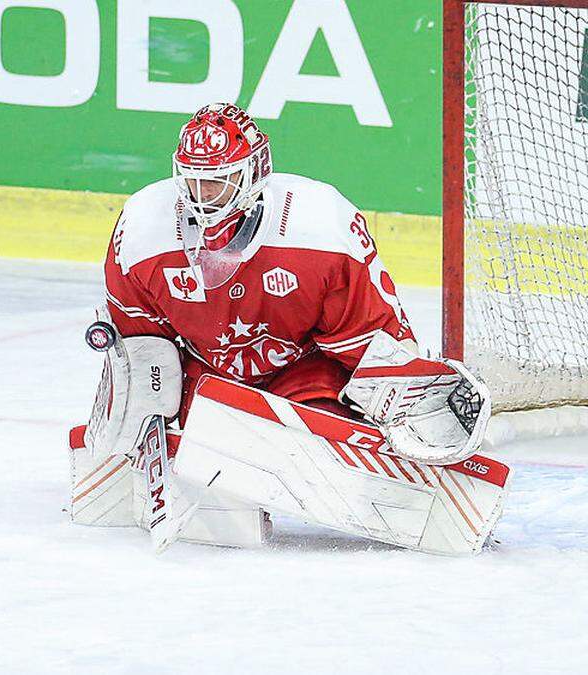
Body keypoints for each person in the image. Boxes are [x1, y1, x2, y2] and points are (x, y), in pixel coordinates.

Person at [69, 102, 492, 549]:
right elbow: (143, 349)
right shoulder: (140, 231)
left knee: (330, 447)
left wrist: (409, 395)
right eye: (192, 179)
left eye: (216, 179)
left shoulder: (321, 228)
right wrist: (141, 414)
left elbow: (371, 342)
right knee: (200, 470)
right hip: (207, 378)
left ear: (254, 172)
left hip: (304, 372)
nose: (202, 192)